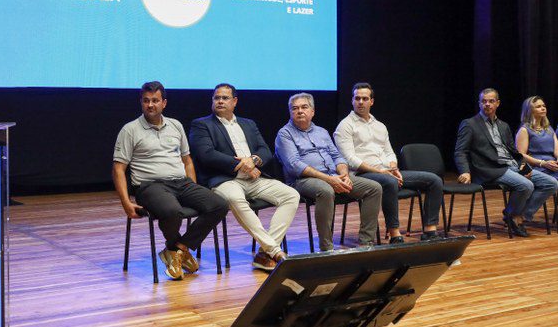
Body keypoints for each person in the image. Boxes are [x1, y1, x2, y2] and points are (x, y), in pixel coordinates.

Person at [112, 81, 228, 281]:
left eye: (155, 101)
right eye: (146, 101)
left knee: (220, 204)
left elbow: (187, 160)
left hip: (181, 182)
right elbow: (118, 169)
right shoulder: (130, 130)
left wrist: (192, 185)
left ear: (163, 103)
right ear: (141, 102)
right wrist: (125, 202)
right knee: (172, 211)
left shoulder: (175, 125)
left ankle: (177, 249)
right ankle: (177, 249)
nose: (150, 105)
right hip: (150, 186)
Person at [189, 84, 299, 271]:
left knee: (291, 195)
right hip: (225, 179)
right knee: (234, 198)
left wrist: (253, 160)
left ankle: (265, 254)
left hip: (255, 179)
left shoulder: (248, 124)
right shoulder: (202, 124)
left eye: (225, 98)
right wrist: (243, 166)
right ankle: (273, 250)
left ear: (235, 101)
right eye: (217, 98)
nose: (220, 101)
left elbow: (265, 151)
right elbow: (206, 154)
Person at [334, 82, 443, 242]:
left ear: (372, 101)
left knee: (434, 180)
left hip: (387, 172)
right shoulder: (345, 126)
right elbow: (350, 159)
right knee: (389, 182)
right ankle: (395, 234)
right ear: (352, 101)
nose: (361, 102)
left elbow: (389, 152)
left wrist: (393, 167)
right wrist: (382, 172)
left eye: (365, 98)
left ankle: (429, 231)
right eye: (357, 98)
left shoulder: (380, 126)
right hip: (363, 174)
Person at [275, 92, 382, 251]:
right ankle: (327, 248)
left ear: (313, 111)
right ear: (290, 112)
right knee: (325, 191)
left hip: (334, 176)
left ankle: (366, 243)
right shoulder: (284, 134)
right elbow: (294, 165)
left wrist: (344, 174)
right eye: (294, 108)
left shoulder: (322, 132)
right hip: (302, 181)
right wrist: (329, 179)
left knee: (374, 188)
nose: (299, 111)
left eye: (304, 107)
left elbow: (337, 156)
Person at [454, 88, 558, 236]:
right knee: (526, 185)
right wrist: (465, 171)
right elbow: (460, 151)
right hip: (490, 169)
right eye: (484, 101)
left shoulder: (503, 126)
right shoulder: (470, 124)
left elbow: (513, 151)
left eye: (491, 101)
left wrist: (523, 165)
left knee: (551, 183)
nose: (487, 104)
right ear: (479, 103)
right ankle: (513, 216)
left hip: (511, 166)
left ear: (498, 103)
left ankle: (518, 215)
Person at [515, 96, 558, 182]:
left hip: (553, 165)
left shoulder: (549, 128)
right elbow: (521, 155)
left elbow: (557, 150)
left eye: (544, 106)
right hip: (538, 167)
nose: (543, 108)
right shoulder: (524, 130)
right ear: (530, 111)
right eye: (538, 107)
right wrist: (542, 163)